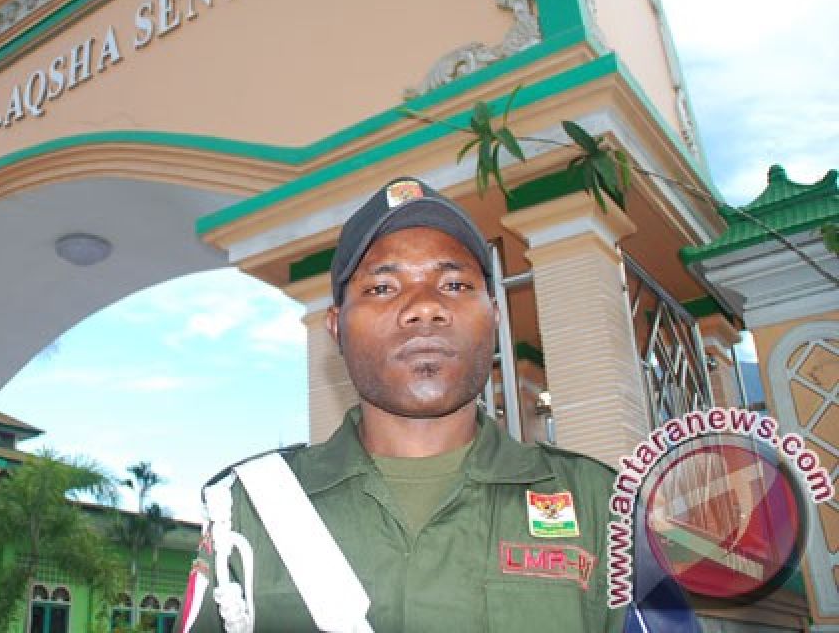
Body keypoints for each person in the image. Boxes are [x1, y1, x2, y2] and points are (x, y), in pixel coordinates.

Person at [178, 176, 626, 633]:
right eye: (382, 288)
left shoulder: (600, 506)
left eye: (453, 284)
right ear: (336, 327)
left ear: (493, 315)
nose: (424, 307)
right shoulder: (251, 511)